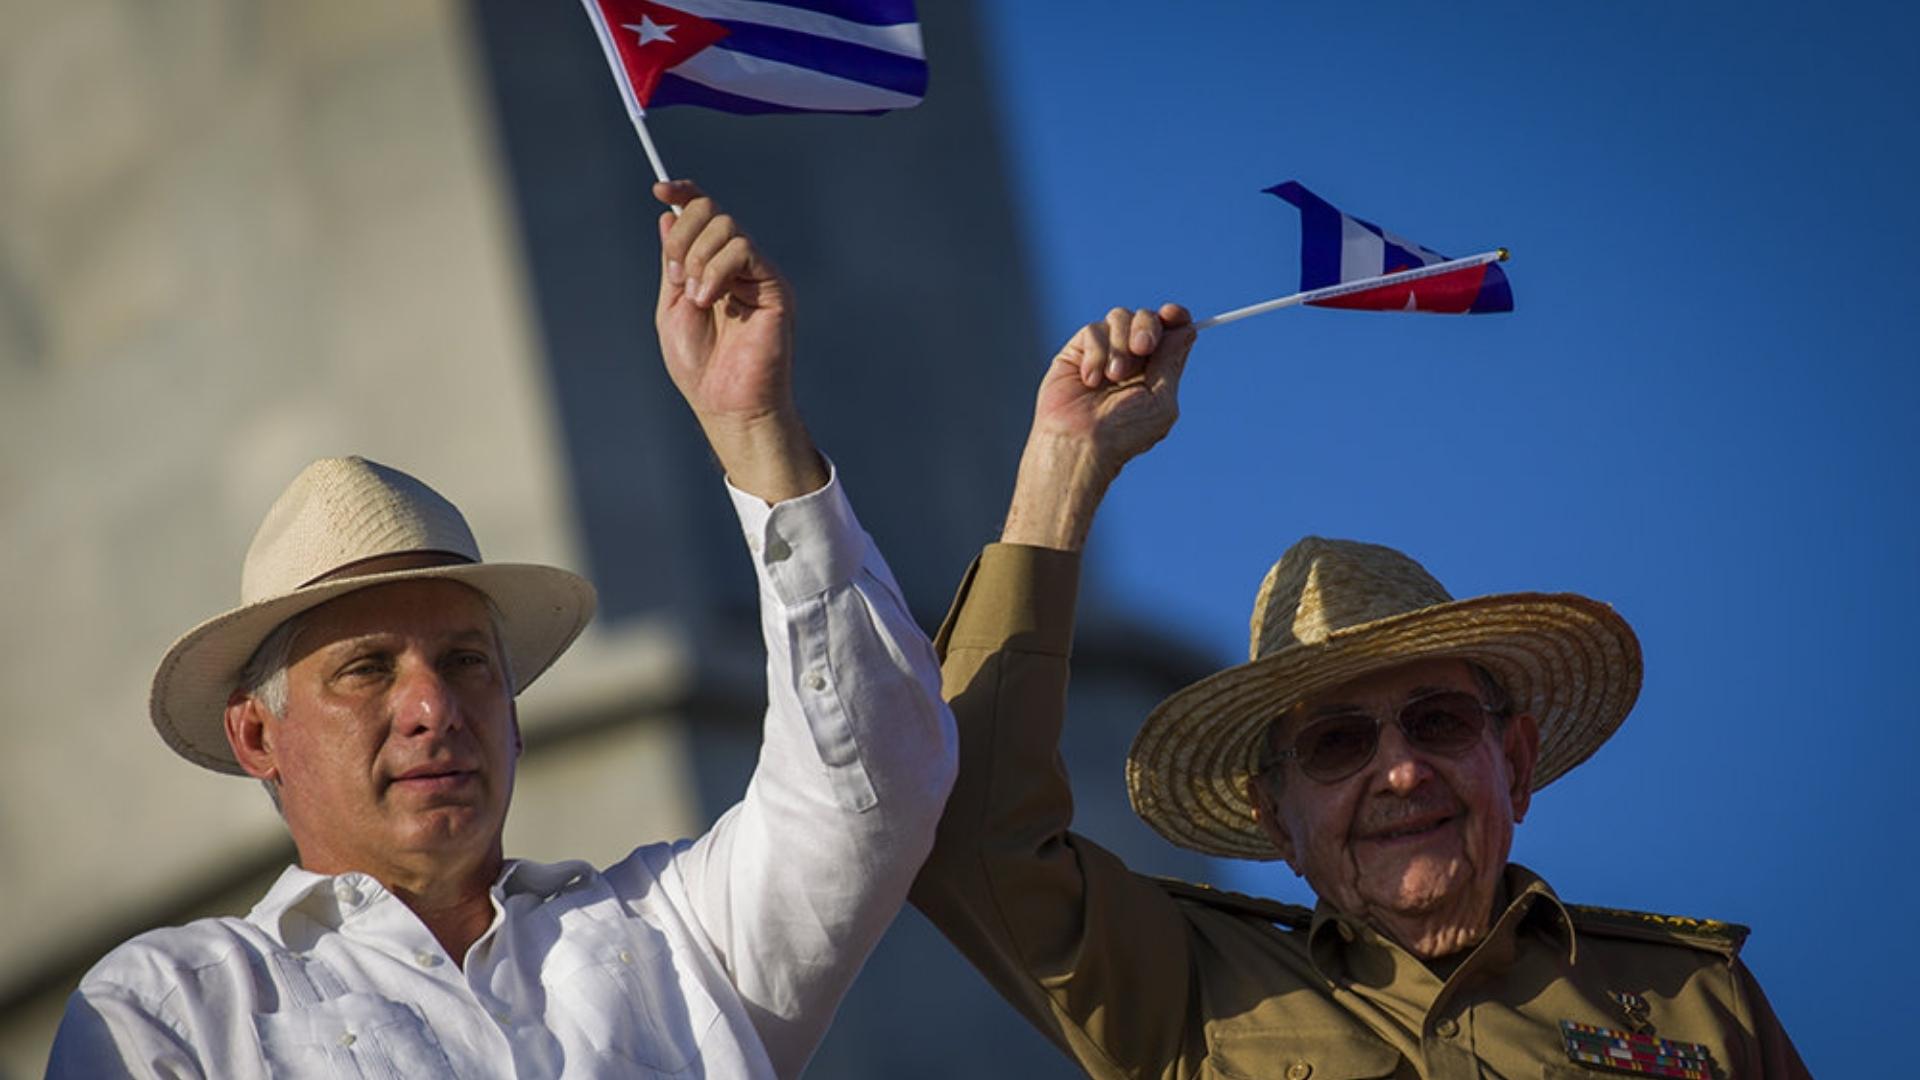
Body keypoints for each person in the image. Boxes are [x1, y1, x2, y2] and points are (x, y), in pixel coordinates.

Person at [48, 181, 957, 1079]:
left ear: (515, 714)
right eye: (366, 669)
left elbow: (874, 781)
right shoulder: (168, 1014)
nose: (433, 705)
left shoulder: (678, 935)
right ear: (256, 734)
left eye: (467, 661)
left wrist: (756, 428)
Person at [910, 304, 1808, 1078]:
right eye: (1336, 744)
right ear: (1275, 819)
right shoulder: (1189, 994)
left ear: (1517, 761)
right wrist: (1063, 466)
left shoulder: (1698, 1003)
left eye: (1439, 722)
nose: (1403, 772)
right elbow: (962, 832)